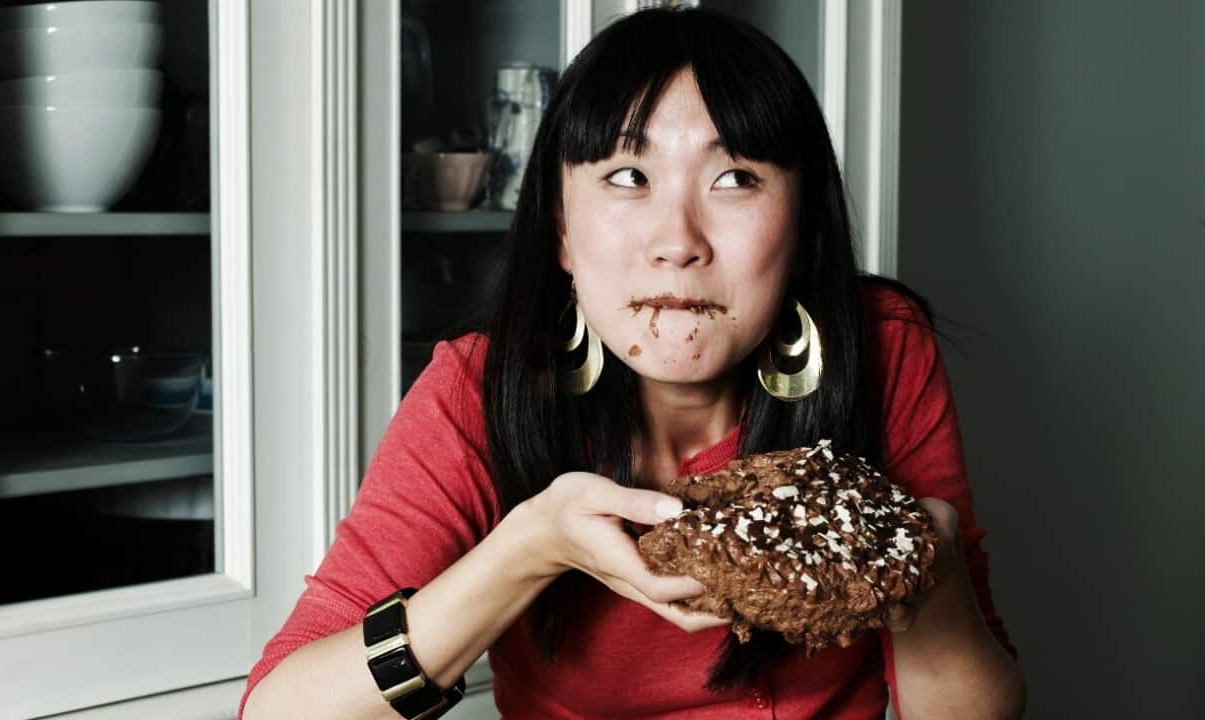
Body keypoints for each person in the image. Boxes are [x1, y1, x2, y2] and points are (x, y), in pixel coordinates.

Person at [240, 7, 1024, 719]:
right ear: (561, 234)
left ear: (804, 233)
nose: (677, 240)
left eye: (735, 178)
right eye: (627, 178)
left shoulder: (883, 346)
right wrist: (528, 548)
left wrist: (932, 566)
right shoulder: (477, 392)